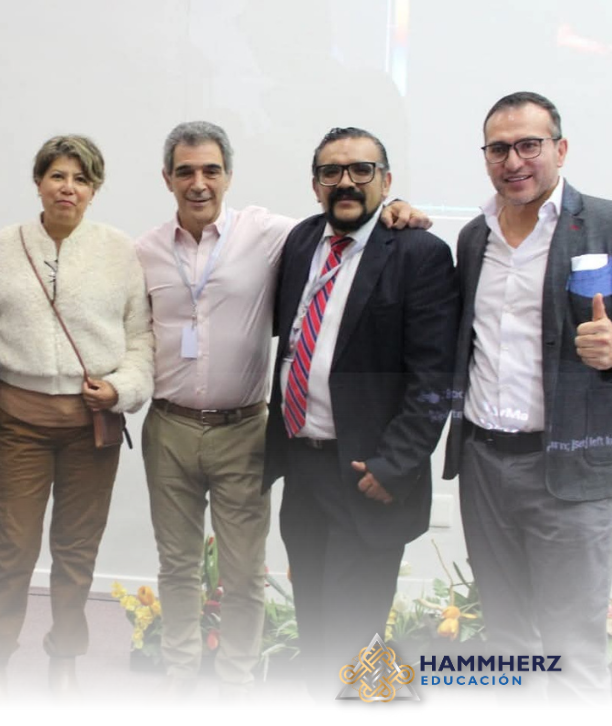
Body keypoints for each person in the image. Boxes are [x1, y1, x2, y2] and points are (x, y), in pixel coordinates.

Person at [134, 121, 428, 697]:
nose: (199, 182)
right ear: (167, 178)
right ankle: (179, 680)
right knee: (179, 564)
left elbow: (352, 221)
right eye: (186, 171)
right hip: (173, 427)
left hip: (245, 428)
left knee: (248, 571)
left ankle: (239, 684)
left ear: (229, 175)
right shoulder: (144, 250)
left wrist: (397, 210)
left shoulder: (272, 234)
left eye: (211, 169)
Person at [263, 126, 458, 692]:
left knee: (355, 630)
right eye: (331, 171)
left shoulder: (420, 254)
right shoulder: (301, 241)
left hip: (367, 474)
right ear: (316, 184)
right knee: (313, 621)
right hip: (304, 468)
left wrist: (395, 465)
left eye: (361, 170)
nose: (345, 181)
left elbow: (434, 375)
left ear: (386, 180)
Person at [444, 91, 612, 701]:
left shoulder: (604, 225)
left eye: (529, 145)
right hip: (485, 466)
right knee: (507, 642)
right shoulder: (474, 237)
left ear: (560, 150)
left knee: (574, 650)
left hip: (568, 469)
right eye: (499, 149)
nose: (513, 161)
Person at [0, 135, 153, 695]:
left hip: (91, 422)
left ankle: (66, 657)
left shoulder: (118, 251)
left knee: (77, 548)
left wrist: (122, 389)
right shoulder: (4, 247)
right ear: (38, 182)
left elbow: (140, 339)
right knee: (13, 545)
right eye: (57, 175)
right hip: (18, 417)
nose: (68, 188)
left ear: (94, 189)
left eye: (81, 179)